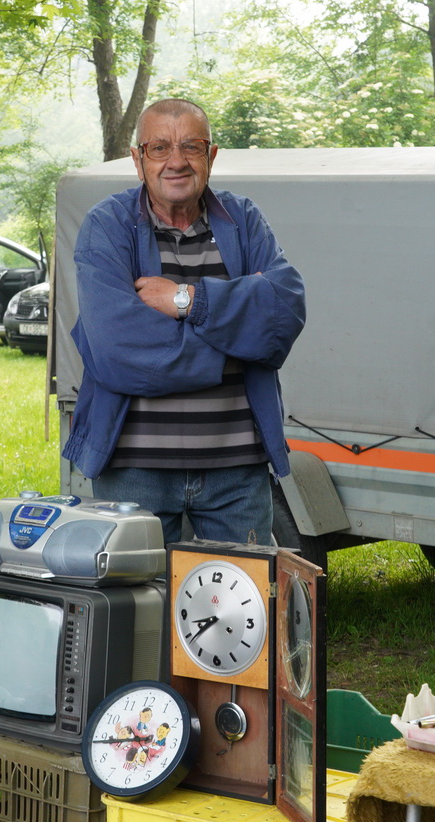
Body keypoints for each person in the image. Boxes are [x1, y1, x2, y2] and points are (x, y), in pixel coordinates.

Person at [63, 97, 307, 545]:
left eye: (191, 147)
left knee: (243, 589)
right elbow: (116, 351)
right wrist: (236, 343)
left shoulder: (244, 219)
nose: (176, 161)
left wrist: (187, 301)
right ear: (138, 160)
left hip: (238, 469)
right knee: (140, 591)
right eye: (159, 148)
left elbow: (283, 314)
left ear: (211, 155)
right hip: (135, 470)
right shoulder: (108, 226)